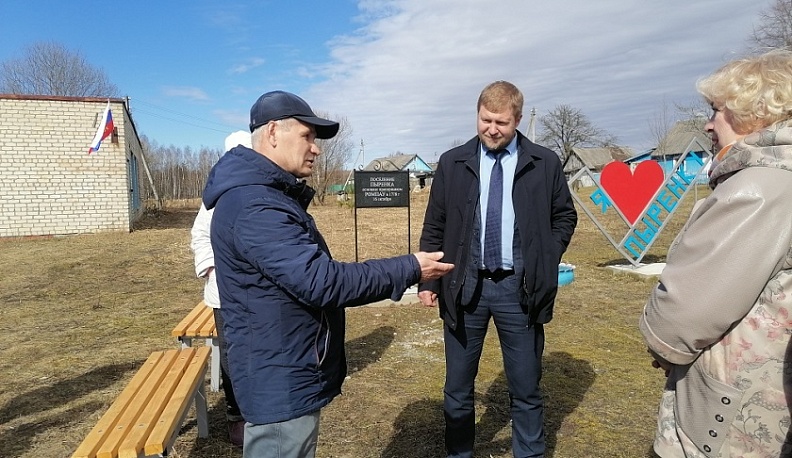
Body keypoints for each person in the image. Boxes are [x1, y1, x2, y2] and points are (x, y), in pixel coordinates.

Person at [202, 90, 454, 458]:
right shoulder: (256, 205)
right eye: (307, 136)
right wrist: (410, 267)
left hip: (283, 365)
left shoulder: (263, 196)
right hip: (280, 379)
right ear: (273, 132)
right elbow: (323, 282)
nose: (316, 148)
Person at [640, 49, 792, 457]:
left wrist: (660, 340)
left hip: (733, 412)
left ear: (754, 112)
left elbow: (684, 313)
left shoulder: (758, 188)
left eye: (716, 111)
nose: (709, 124)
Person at [419, 80, 577, 458]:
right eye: (485, 120)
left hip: (518, 290)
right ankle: (459, 453)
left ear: (517, 119)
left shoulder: (544, 163)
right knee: (457, 389)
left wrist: (545, 256)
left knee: (525, 388)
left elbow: (564, 217)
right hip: (464, 288)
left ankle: (530, 453)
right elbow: (435, 223)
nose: (492, 129)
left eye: (501, 122)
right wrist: (428, 279)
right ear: (477, 115)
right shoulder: (453, 163)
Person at [190, 130, 252, 447]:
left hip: (257, 293)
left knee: (258, 350)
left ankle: (260, 410)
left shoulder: (262, 190)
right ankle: (235, 415)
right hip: (224, 295)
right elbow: (200, 236)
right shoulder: (215, 197)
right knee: (230, 355)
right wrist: (212, 266)